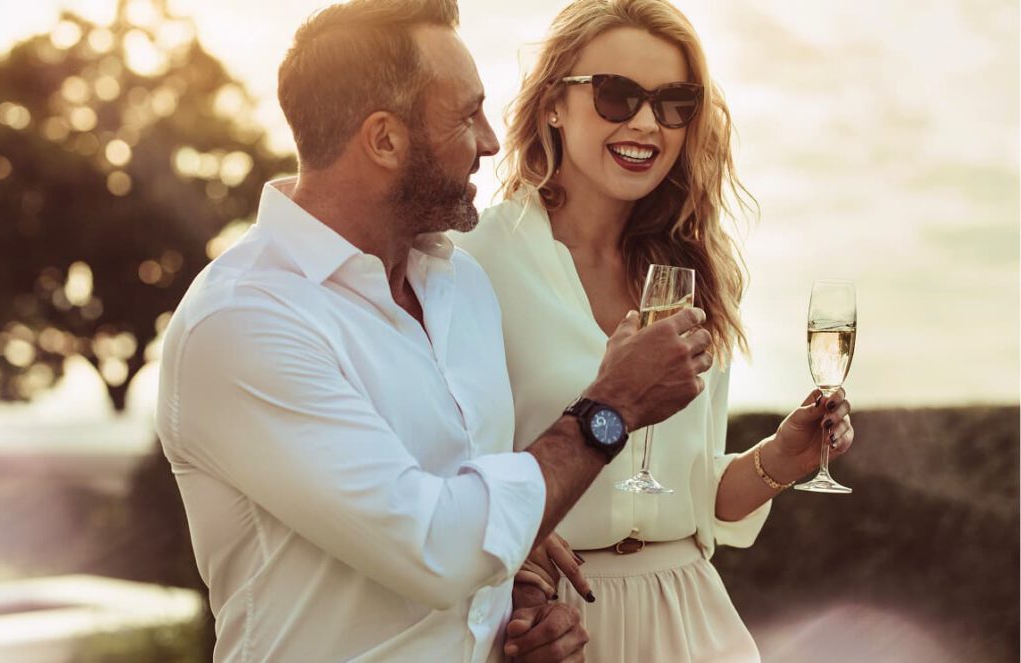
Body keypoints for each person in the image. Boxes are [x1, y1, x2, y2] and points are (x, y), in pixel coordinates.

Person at [155, 1, 716, 661]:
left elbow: (479, 505)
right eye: (466, 114)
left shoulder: (460, 287)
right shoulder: (246, 323)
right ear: (385, 140)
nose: (491, 139)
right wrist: (613, 406)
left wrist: (521, 599)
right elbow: (436, 547)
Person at [454, 1, 856, 661]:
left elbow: (693, 499)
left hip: (693, 616)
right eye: (618, 96)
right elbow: (444, 475)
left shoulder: (688, 269)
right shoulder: (476, 259)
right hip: (549, 623)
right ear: (554, 103)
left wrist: (780, 458)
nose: (647, 122)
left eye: (674, 102)